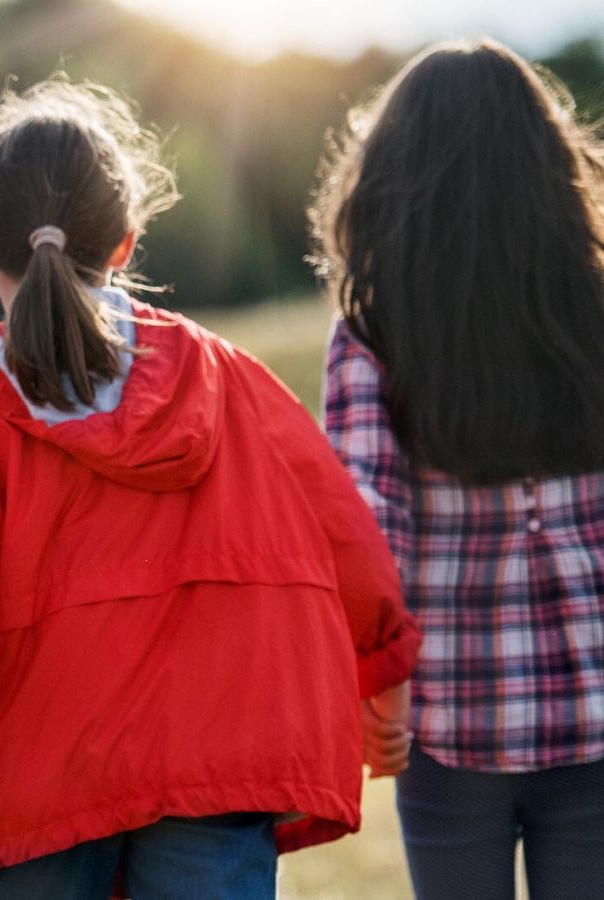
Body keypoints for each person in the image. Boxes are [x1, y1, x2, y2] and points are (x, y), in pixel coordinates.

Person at [0, 76, 422, 899]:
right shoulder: (223, 374)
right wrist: (383, 673)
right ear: (126, 242)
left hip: (42, 776)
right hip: (219, 755)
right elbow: (344, 532)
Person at [314, 38, 604, 900]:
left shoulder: (372, 331)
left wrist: (379, 692)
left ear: (394, 179)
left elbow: (368, 531)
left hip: (444, 717)